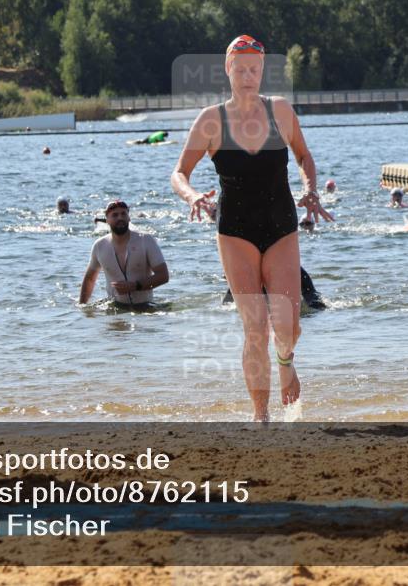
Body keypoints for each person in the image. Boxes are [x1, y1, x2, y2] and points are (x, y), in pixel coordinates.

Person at [171, 34, 333, 421]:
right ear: (228, 70)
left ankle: (286, 361)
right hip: (235, 231)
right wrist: (192, 196)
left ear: (262, 72)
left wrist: (310, 189)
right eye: (240, 68)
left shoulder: (279, 111)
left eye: (255, 69)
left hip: (281, 226)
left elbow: (304, 155)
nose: (248, 76)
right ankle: (260, 416)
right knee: (255, 327)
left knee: (289, 326)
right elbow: (179, 172)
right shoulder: (211, 120)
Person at [79, 200, 169, 308]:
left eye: (123, 214)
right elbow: (90, 278)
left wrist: (136, 286)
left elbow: (163, 276)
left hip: (145, 308)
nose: (120, 218)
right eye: (115, 215)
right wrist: (82, 307)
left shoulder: (146, 240)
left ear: (129, 218)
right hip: (116, 308)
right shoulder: (99, 246)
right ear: (107, 220)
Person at [223, 267, 326, 311]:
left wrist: (314, 305)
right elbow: (228, 302)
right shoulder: (249, 271)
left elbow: (311, 292)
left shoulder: (293, 268)